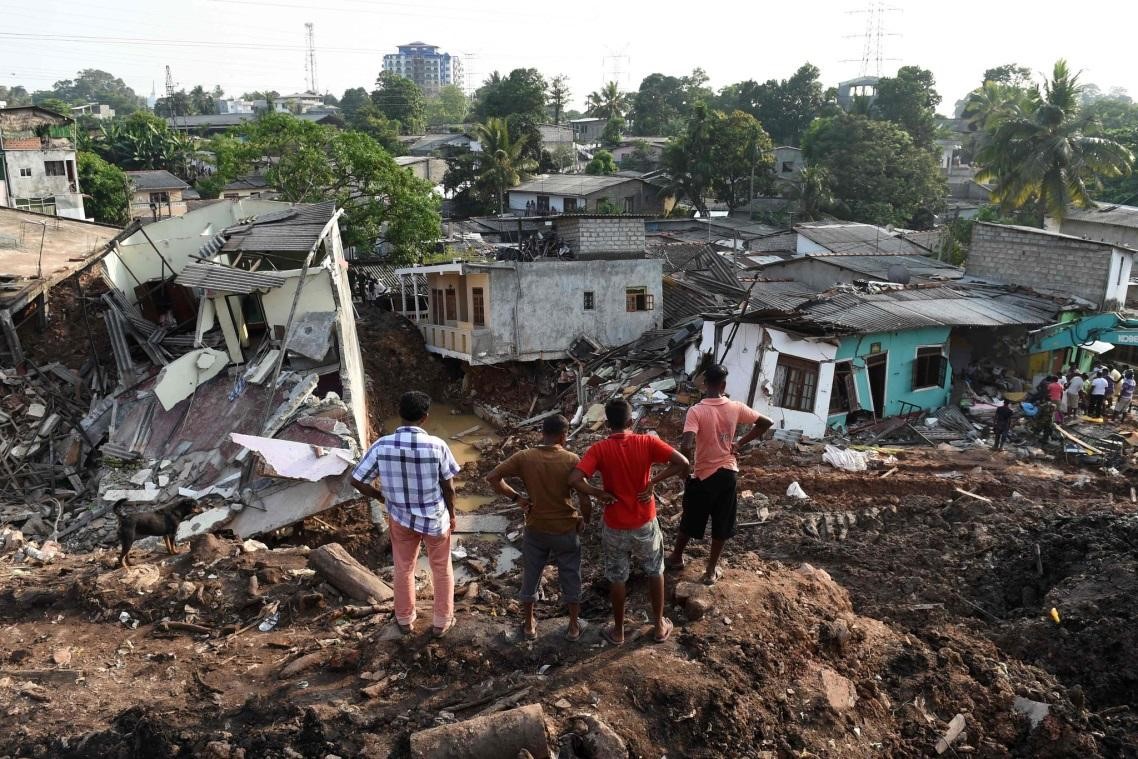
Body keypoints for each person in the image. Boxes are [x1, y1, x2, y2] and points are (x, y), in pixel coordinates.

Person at [568, 399, 689, 646]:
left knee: (617, 576)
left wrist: (597, 493)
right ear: (631, 421)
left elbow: (575, 479)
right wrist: (654, 481)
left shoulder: (598, 449)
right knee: (655, 571)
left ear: (607, 424)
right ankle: (658, 626)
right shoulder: (647, 442)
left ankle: (619, 631)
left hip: (614, 524)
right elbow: (683, 463)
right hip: (645, 521)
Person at [350, 391, 461, 638]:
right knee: (442, 570)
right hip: (434, 519)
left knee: (403, 568)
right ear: (425, 417)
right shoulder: (437, 445)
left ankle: (404, 619)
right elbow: (449, 487)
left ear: (401, 414)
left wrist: (381, 496)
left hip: (400, 518)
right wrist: (451, 515)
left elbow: (356, 480)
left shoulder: (381, 445)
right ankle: (442, 622)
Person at [486, 415, 591, 642]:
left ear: (542, 433)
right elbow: (584, 498)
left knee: (531, 574)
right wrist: (585, 519)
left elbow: (493, 477)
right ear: (563, 436)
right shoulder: (572, 459)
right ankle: (573, 627)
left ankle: (529, 626)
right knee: (571, 574)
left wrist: (517, 498)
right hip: (565, 527)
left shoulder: (525, 457)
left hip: (536, 527)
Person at [666, 365, 773, 585]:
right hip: (728, 474)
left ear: (705, 384)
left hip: (704, 475)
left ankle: (676, 557)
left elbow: (685, 445)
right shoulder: (735, 407)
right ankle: (710, 571)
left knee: (690, 518)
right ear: (723, 385)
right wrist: (740, 443)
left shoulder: (696, 411)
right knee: (722, 523)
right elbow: (766, 423)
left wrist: (685, 471)